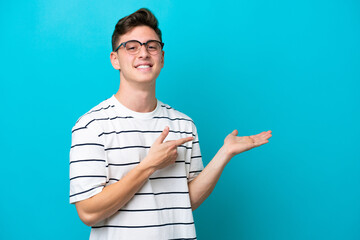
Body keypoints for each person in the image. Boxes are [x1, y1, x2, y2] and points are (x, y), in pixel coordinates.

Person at [69, 8, 272, 240]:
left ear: (162, 58)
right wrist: (149, 165)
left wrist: (224, 154)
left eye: (151, 46)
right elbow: (88, 213)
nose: (143, 53)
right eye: (132, 47)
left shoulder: (183, 124)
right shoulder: (92, 125)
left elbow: (186, 202)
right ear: (115, 59)